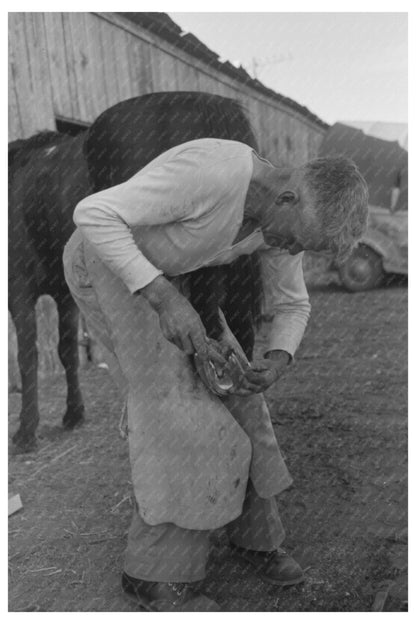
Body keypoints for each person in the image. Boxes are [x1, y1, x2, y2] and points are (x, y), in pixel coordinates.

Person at [63, 138, 368, 611]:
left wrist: (279, 358)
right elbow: (94, 213)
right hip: (108, 262)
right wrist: (165, 300)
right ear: (289, 197)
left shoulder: (285, 218)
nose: (288, 249)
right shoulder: (214, 172)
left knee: (243, 398)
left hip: (176, 275)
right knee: (178, 412)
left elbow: (293, 302)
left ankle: (254, 538)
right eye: (295, 240)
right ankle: (150, 575)